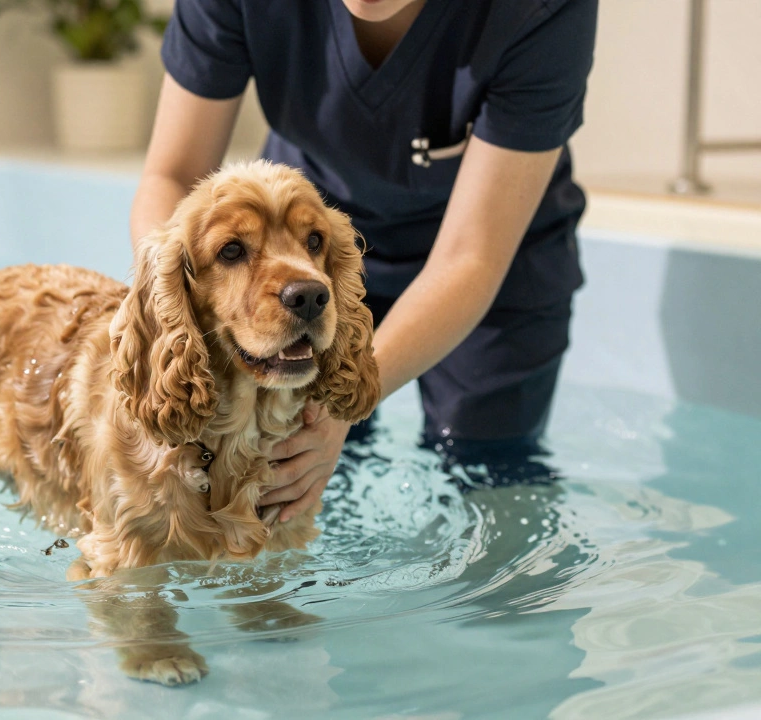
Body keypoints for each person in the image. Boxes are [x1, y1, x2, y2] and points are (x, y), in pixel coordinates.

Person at [130, 0, 598, 521]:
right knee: (289, 479)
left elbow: (471, 256)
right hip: (304, 248)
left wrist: (343, 404)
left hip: (493, 261)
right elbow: (172, 174)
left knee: (489, 479)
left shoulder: (539, 9)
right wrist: (162, 308)